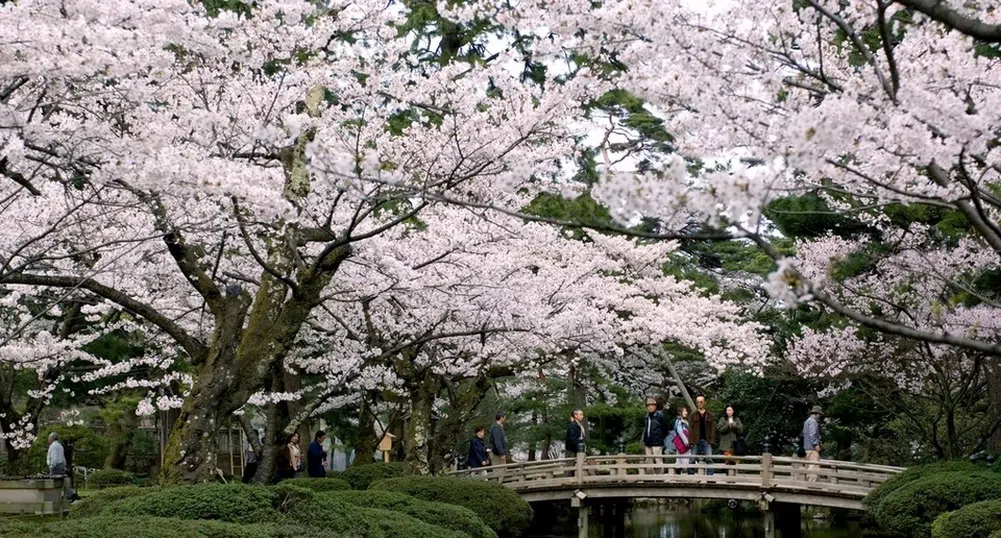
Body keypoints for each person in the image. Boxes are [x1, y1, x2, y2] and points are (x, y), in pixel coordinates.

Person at [689, 396, 716, 476]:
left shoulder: (710, 415)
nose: (699, 404)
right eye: (697, 402)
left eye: (701, 402)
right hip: (695, 440)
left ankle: (710, 478)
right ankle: (691, 477)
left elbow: (713, 429)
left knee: (709, 459)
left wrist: (711, 441)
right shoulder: (693, 415)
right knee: (692, 459)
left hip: (706, 440)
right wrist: (691, 441)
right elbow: (690, 429)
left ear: (705, 402)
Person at [642, 397, 669, 474]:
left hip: (657, 442)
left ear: (655, 406)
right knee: (649, 460)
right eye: (648, 405)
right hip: (648, 441)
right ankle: (650, 477)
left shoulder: (659, 416)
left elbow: (665, 428)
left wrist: (660, 436)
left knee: (658, 459)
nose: (650, 407)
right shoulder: (646, 417)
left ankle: (659, 476)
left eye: (652, 405)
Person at [46, 432, 73, 500]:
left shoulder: (53, 446)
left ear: (52, 438)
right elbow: (63, 457)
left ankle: (52, 497)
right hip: (61, 465)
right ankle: (69, 494)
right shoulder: (60, 445)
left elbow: (54, 458)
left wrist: (51, 466)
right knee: (61, 481)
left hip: (56, 466)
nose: (48, 439)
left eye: (49, 438)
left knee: (52, 482)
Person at [717, 406, 744, 473]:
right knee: (728, 462)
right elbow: (720, 430)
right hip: (726, 445)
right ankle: (728, 477)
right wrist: (727, 426)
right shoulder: (722, 419)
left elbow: (741, 430)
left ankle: (733, 478)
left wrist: (735, 426)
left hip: (735, 445)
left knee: (734, 462)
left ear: (733, 411)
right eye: (727, 410)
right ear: (726, 411)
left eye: (730, 410)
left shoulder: (737, 419)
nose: (729, 412)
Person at [802, 405, 824, 482]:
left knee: (810, 464)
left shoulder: (806, 421)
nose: (820, 417)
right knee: (814, 465)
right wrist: (816, 444)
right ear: (817, 414)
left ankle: (810, 481)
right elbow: (813, 434)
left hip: (807, 447)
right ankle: (812, 483)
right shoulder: (813, 422)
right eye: (820, 415)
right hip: (812, 447)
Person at [672, 407, 692, 475]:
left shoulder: (685, 421)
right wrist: (686, 442)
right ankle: (681, 477)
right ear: (680, 413)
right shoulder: (679, 421)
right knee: (683, 460)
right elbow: (680, 432)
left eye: (686, 411)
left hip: (683, 443)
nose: (686, 413)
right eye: (684, 411)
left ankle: (679, 476)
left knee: (681, 460)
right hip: (683, 443)